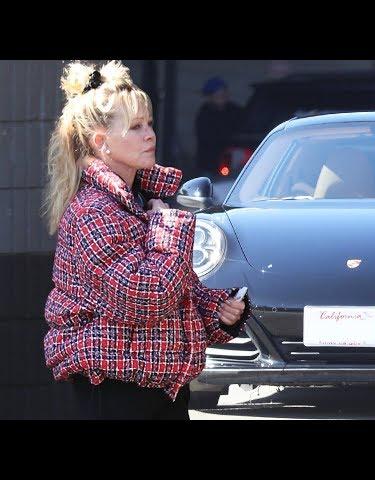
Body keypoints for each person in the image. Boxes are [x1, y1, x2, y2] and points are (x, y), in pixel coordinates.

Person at [41, 61, 248, 420]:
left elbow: (173, 294)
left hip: (157, 386)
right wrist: (166, 224)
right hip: (116, 387)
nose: (149, 134)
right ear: (100, 142)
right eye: (136, 127)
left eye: (149, 124)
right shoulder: (95, 210)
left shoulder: (138, 202)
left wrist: (217, 311)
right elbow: (146, 297)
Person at [194, 77, 243, 178]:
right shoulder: (204, 115)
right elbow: (207, 139)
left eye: (223, 93)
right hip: (209, 165)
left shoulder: (235, 111)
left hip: (232, 163)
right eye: (218, 94)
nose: (221, 97)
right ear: (210, 96)